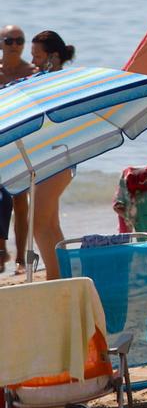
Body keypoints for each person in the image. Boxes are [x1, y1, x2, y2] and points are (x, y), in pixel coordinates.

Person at [26, 31, 77, 278]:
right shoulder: (44, 81)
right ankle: (63, 276)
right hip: (51, 158)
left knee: (38, 224)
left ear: (53, 57)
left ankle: (55, 278)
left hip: (59, 157)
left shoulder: (60, 82)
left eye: (37, 55)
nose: (33, 61)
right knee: (50, 224)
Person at [0, 26, 36, 274]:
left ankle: (22, 258)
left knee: (20, 199)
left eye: (19, 41)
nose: (14, 44)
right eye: (9, 40)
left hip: (22, 140)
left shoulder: (31, 73)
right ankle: (2, 250)